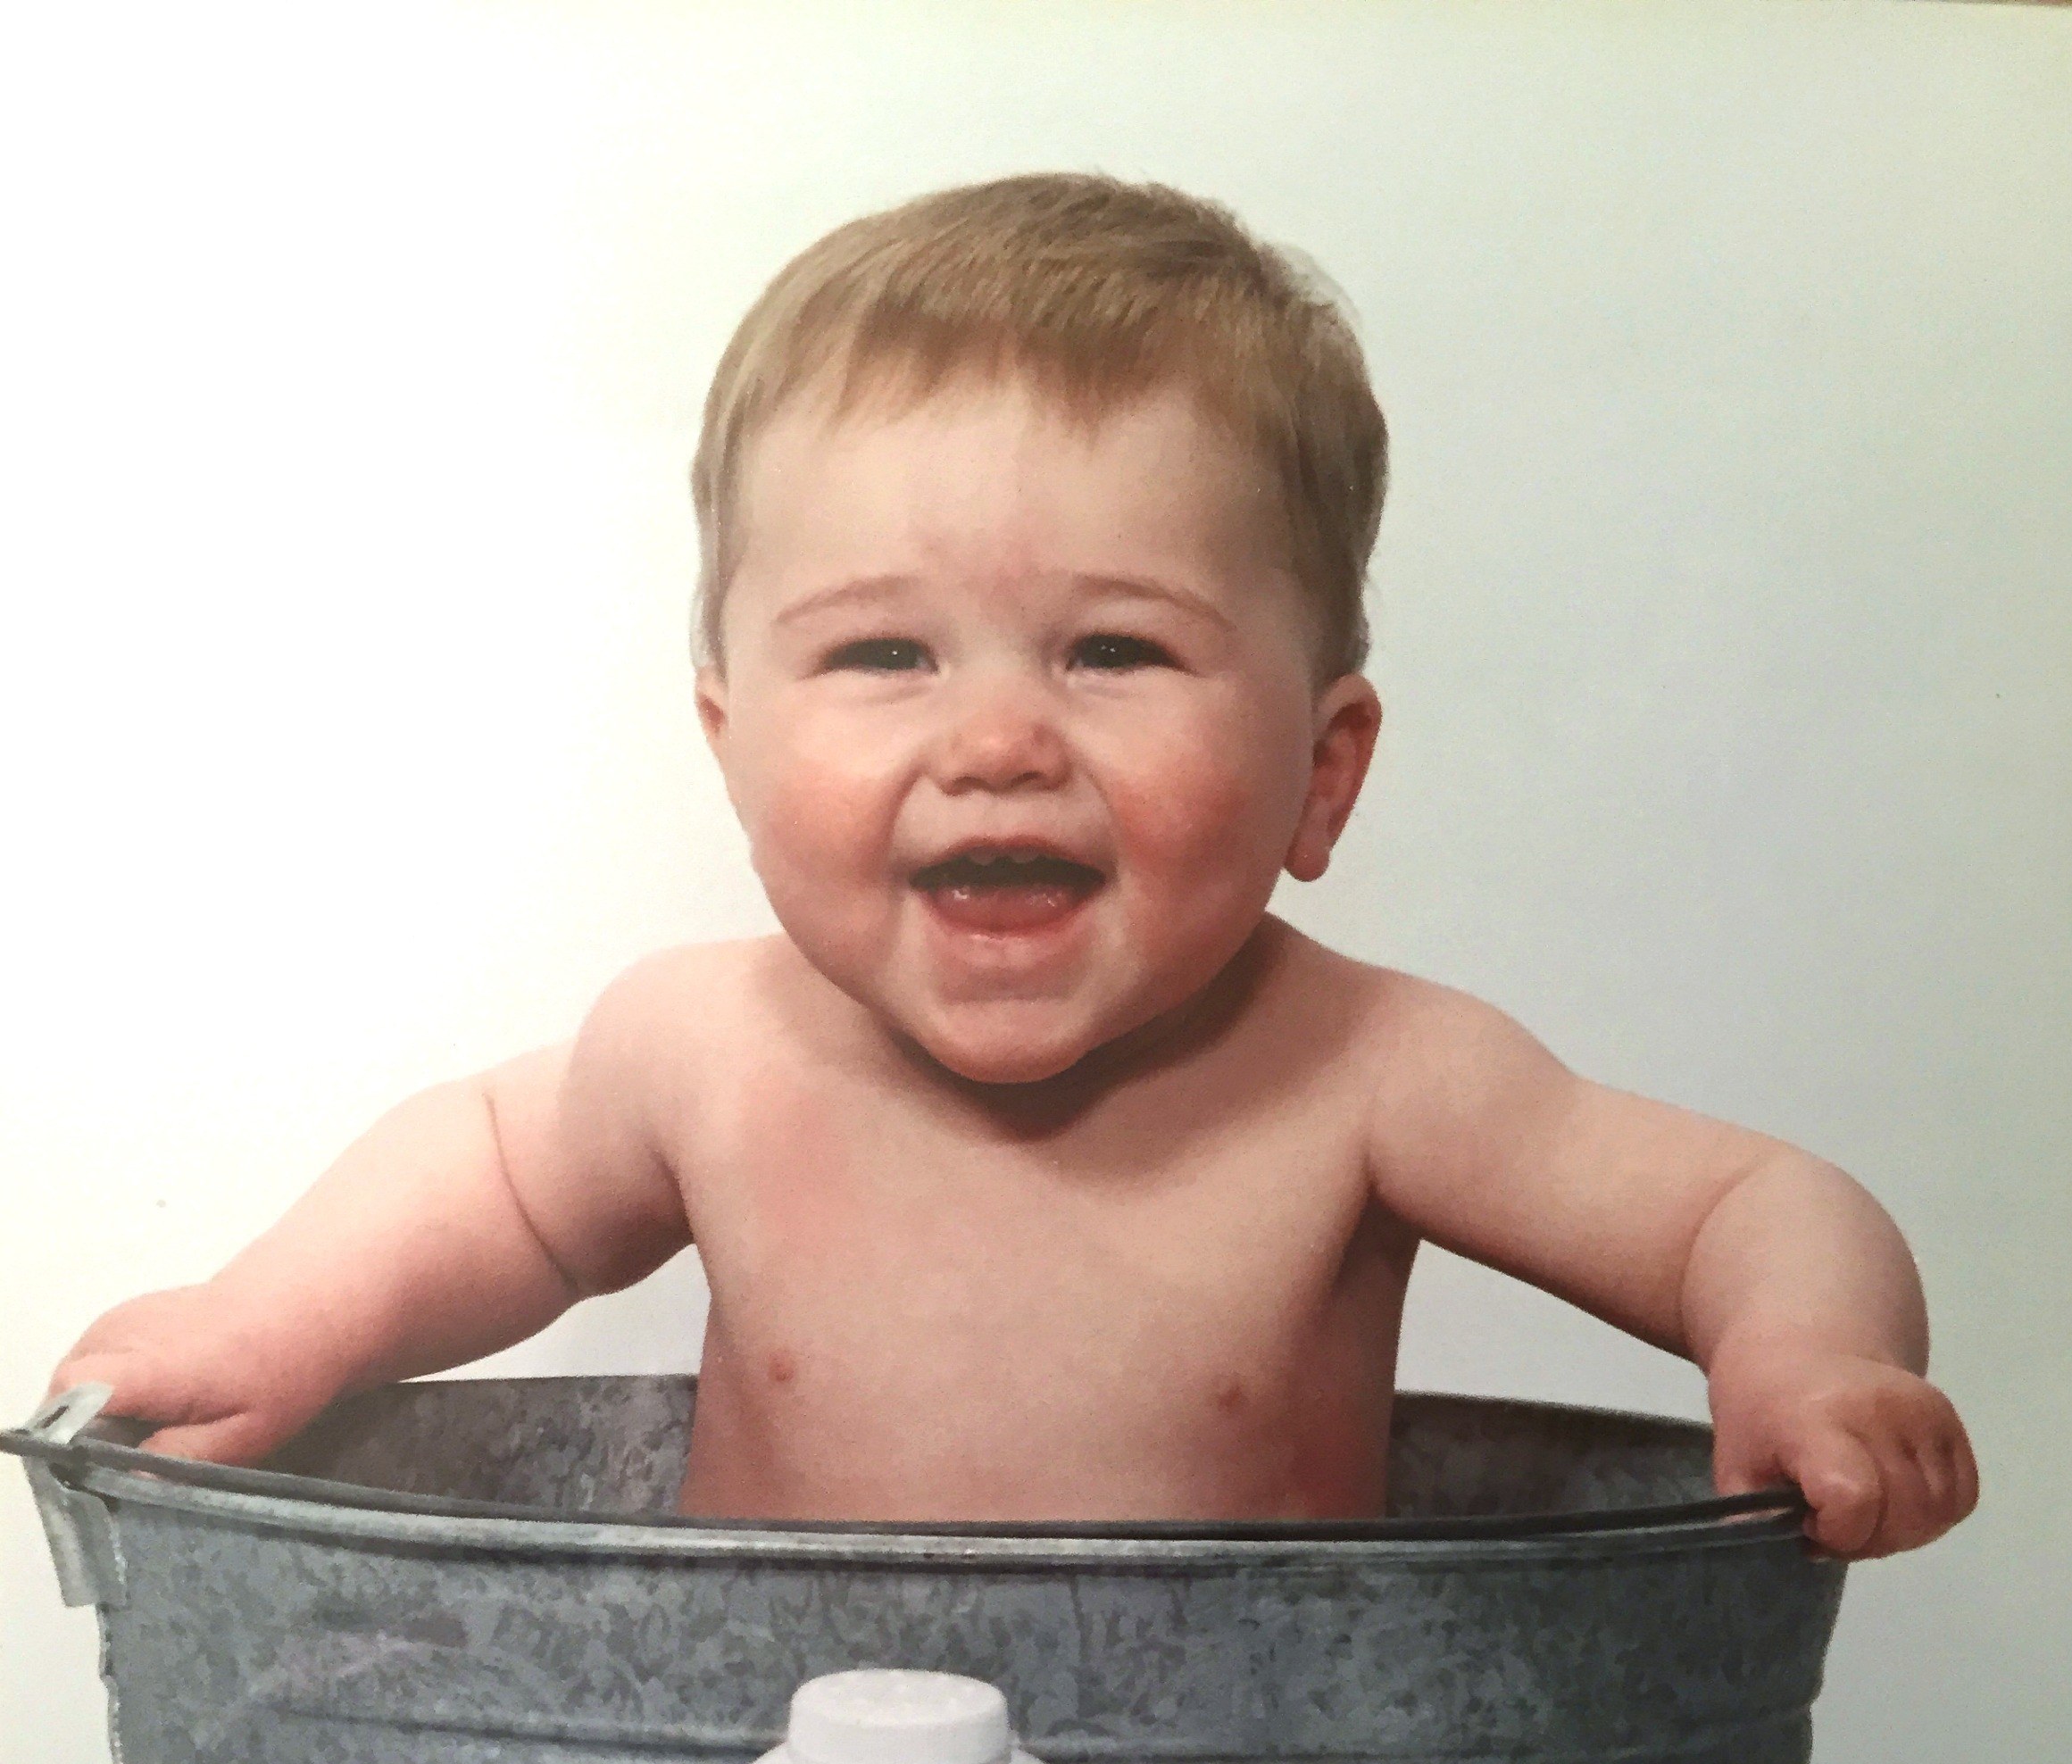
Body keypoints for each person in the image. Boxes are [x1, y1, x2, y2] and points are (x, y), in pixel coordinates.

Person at [50, 175, 1974, 1553]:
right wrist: (264, 1324)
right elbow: (479, 1180)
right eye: (884, 653)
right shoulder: (706, 1051)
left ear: (1323, 771)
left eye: (1113, 650)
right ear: (732, 743)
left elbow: (1753, 1201)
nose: (995, 741)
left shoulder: (1370, 1080)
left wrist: (1804, 1353)